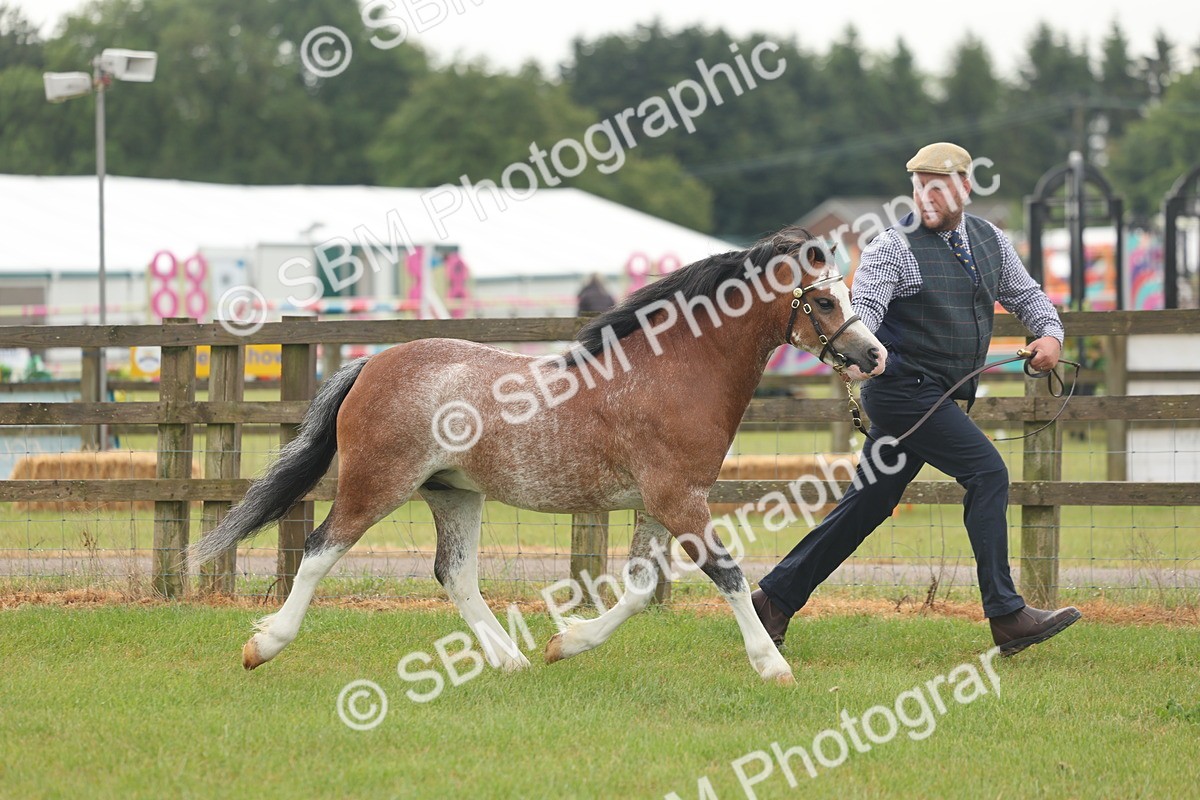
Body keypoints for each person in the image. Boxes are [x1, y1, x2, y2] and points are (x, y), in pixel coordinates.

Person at [753, 142, 1082, 657]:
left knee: (869, 503)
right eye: (919, 185)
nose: (926, 195)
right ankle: (1007, 614)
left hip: (941, 397)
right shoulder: (893, 247)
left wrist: (1049, 334)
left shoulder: (990, 239)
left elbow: (1026, 295)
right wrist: (870, 350)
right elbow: (866, 309)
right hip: (903, 394)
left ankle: (772, 601)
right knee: (987, 472)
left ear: (965, 187)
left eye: (939, 185)